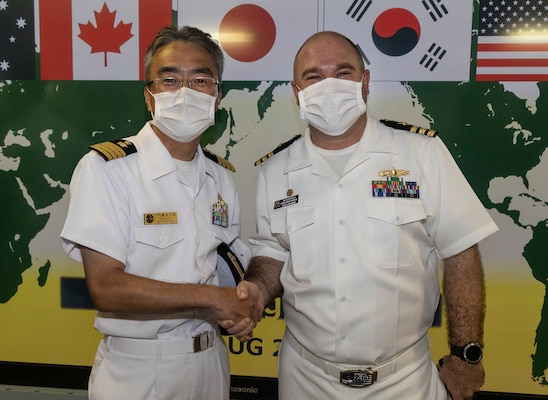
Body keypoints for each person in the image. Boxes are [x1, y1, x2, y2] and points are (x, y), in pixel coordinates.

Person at [226, 31, 498, 400]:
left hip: (404, 379)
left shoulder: (421, 154)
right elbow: (273, 253)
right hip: (306, 378)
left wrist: (466, 354)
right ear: (297, 92)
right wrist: (256, 290)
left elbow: (461, 252)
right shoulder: (275, 170)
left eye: (342, 73)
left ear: (365, 82)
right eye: (314, 77)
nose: (329, 87)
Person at [60, 25, 261, 400]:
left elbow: (224, 261)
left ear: (217, 97)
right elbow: (106, 288)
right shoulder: (107, 168)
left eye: (201, 79)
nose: (185, 92)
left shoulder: (221, 177)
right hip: (138, 372)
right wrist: (211, 299)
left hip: (212, 363)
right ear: (149, 97)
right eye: (169, 79)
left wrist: (243, 303)